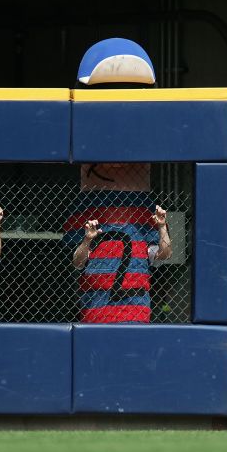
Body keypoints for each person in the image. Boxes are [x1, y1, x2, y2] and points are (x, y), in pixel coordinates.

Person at [63, 38, 173, 323]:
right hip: (97, 304)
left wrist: (162, 229)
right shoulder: (83, 211)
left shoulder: (146, 212)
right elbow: (76, 261)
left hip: (135, 305)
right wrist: (87, 240)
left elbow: (162, 253)